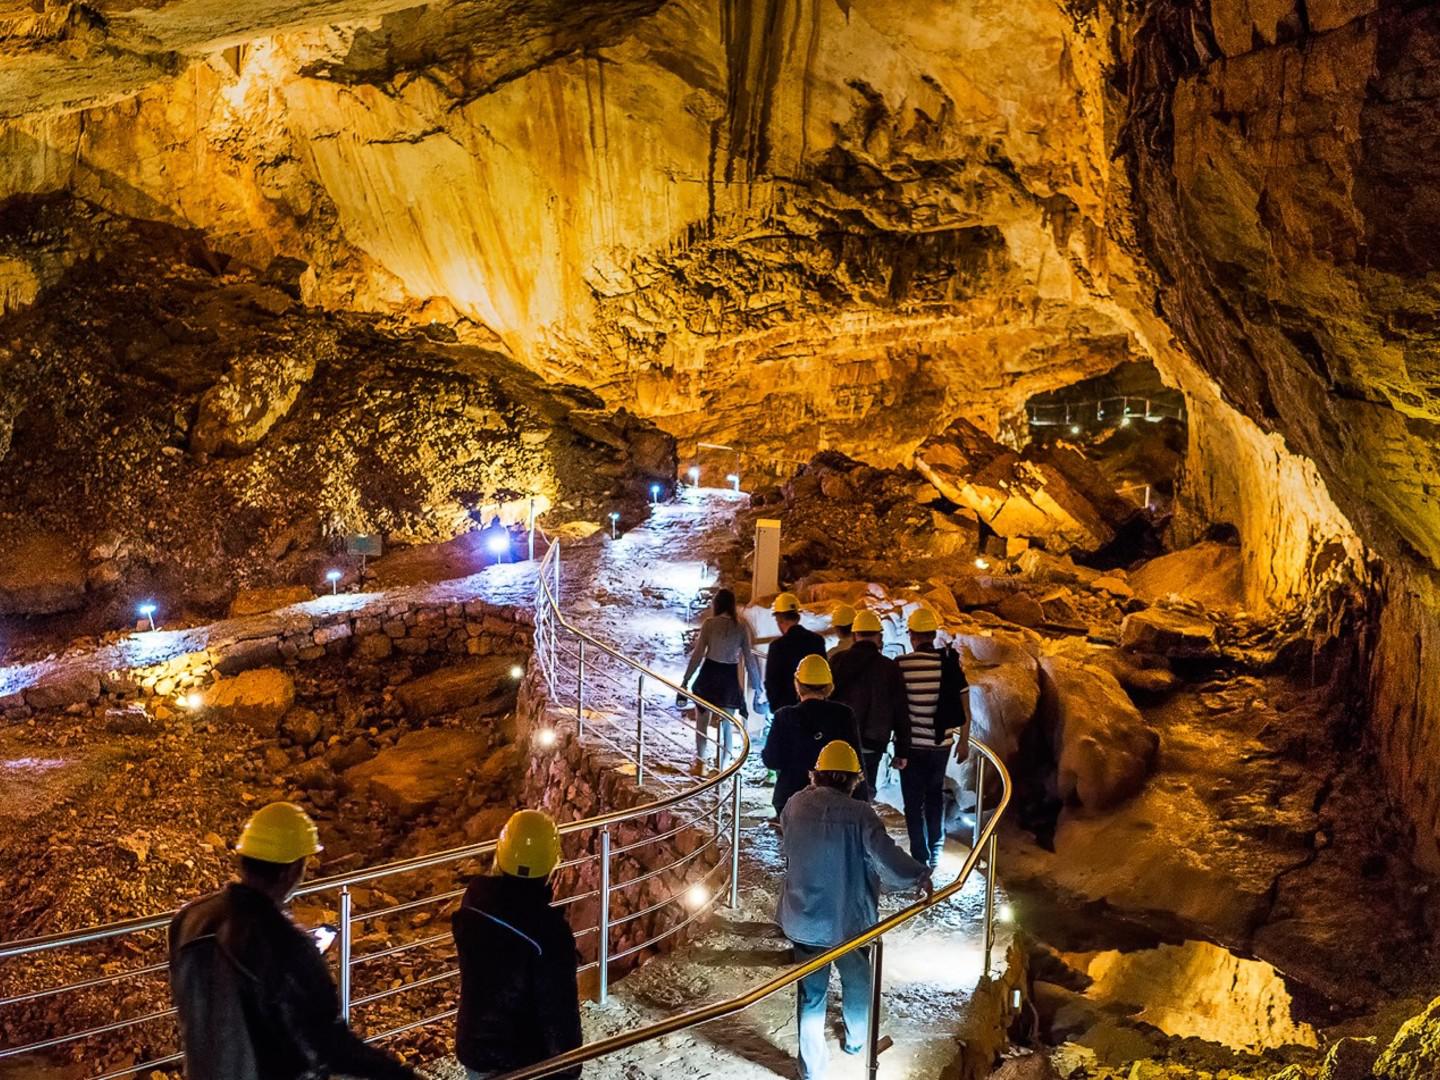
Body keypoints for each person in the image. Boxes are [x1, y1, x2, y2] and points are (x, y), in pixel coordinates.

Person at [169, 801, 417, 1080]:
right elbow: (331, 1044)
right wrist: (400, 1075)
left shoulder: (188, 920)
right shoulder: (287, 943)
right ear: (293, 870)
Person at [777, 741, 933, 1080]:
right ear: (853, 780)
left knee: (811, 994)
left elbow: (788, 844)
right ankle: (857, 1042)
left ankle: (811, 1069)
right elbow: (888, 857)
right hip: (848, 919)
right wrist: (918, 875)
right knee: (858, 982)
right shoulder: (861, 815)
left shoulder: (795, 804)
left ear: (816, 775)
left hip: (805, 916)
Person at [453, 809, 582, 1080]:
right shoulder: (549, 933)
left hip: (473, 1046)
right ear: (552, 865)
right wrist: (569, 1068)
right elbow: (559, 1014)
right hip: (521, 1061)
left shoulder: (475, 901)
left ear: (501, 853)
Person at [897, 609, 971, 868]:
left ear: (912, 636)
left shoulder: (902, 664)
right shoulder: (949, 664)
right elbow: (965, 707)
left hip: (912, 746)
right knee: (934, 796)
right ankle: (936, 850)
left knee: (912, 802)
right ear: (933, 635)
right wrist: (964, 741)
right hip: (942, 745)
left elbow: (897, 708)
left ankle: (919, 855)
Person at [761, 655, 864, 815]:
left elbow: (771, 760)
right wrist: (861, 802)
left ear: (797, 684)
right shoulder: (844, 715)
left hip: (790, 798)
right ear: (829, 685)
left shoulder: (784, 716)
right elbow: (856, 762)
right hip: (835, 800)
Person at [679, 587, 765, 773]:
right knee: (726, 724)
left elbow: (698, 654)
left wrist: (686, 679)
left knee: (702, 721)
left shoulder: (710, 624)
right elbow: (749, 659)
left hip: (709, 674)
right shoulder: (740, 627)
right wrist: (758, 686)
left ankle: (701, 763)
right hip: (729, 677)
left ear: (716, 604)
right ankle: (722, 767)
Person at [830, 609, 910, 800]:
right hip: (874, 740)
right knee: (866, 790)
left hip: (841, 739)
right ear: (879, 637)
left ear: (855, 635)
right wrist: (902, 750)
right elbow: (900, 710)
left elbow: (826, 699)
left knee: (837, 790)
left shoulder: (838, 661)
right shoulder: (889, 668)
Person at [763, 592, 827, 712]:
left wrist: (776, 709)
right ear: (797, 617)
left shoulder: (777, 646)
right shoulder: (817, 641)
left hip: (786, 709)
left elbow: (772, 682)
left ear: (780, 619)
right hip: (814, 708)